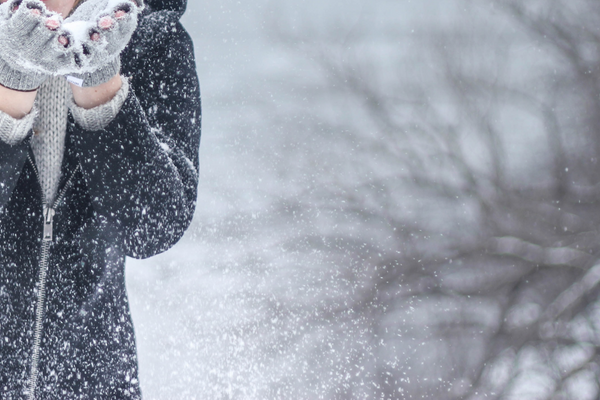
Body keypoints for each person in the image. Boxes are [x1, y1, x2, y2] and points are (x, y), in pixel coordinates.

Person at [0, 0, 201, 398]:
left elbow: (151, 228)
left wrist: (100, 85)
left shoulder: (153, 41)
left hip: (95, 382)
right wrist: (13, 83)